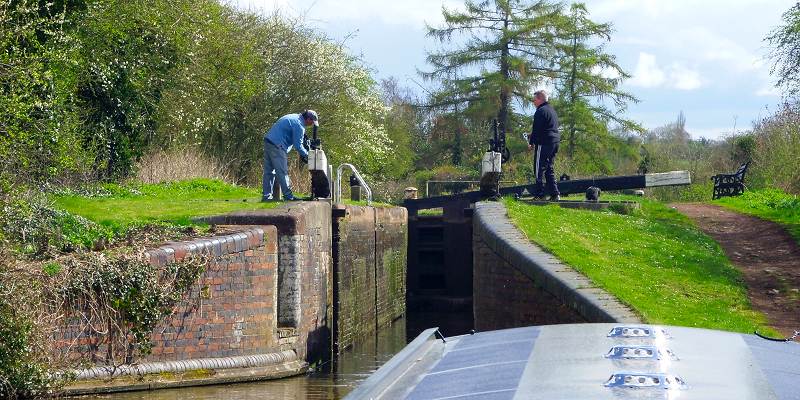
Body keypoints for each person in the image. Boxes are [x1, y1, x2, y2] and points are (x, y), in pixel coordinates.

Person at [262, 110, 316, 201]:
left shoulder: (294, 117)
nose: (312, 124)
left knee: (269, 172)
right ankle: (288, 197)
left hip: (269, 141)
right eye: (312, 122)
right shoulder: (299, 125)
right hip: (277, 145)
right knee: (282, 172)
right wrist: (308, 155)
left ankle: (266, 197)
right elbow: (298, 145)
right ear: (308, 119)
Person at [527, 90, 561, 201]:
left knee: (538, 168)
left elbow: (536, 129)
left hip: (544, 143)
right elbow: (547, 127)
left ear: (540, 99)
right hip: (554, 142)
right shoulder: (552, 111)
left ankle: (540, 194)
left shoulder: (540, 111)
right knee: (549, 168)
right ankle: (555, 194)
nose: (533, 102)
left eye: (534, 100)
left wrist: (531, 143)